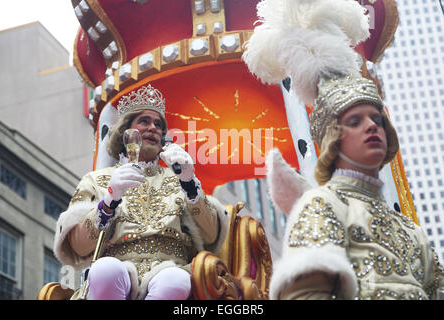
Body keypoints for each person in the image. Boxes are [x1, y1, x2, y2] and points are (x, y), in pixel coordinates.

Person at [242, 0, 444, 299]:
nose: (372, 126)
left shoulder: (411, 230)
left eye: (376, 118)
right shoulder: (323, 205)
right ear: (333, 136)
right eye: (355, 120)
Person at [53, 84, 229, 300]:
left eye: (158, 124)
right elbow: (78, 247)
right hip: (117, 271)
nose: (154, 128)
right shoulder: (97, 180)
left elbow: (211, 237)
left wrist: (190, 184)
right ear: (127, 131)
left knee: (174, 281)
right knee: (105, 271)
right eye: (144, 121)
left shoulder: (180, 179)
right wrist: (108, 201)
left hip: (171, 269)